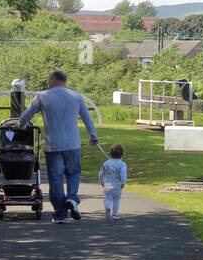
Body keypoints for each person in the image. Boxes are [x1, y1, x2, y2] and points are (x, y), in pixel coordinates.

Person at [11, 69, 99, 223]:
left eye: (48, 78)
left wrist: (20, 126)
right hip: (73, 144)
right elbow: (87, 118)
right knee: (73, 174)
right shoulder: (76, 96)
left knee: (56, 179)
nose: (47, 81)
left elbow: (27, 114)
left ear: (53, 79)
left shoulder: (43, 96)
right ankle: (72, 198)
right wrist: (93, 135)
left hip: (53, 145)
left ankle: (60, 214)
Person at [100, 143, 127, 220]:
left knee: (107, 198)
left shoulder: (106, 163)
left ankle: (108, 208)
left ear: (110, 153)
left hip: (108, 183)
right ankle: (115, 214)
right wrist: (123, 182)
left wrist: (101, 181)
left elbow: (101, 173)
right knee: (116, 199)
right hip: (117, 184)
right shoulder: (122, 164)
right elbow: (123, 174)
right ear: (122, 154)